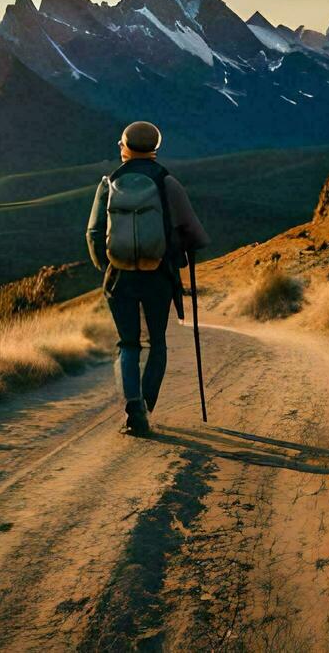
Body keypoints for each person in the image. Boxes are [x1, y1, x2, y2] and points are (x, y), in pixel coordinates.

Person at [86, 121, 211, 437]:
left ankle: (133, 408)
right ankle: (147, 404)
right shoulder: (168, 184)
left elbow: (93, 232)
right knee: (157, 341)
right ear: (156, 148)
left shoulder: (108, 184)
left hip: (120, 277)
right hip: (158, 276)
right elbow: (196, 235)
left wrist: (107, 265)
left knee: (128, 343)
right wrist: (181, 247)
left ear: (123, 147)